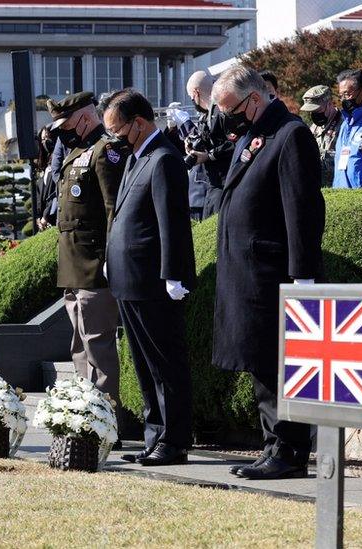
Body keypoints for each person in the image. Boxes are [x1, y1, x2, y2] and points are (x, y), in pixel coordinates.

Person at [211, 65, 324, 480]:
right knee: (261, 363)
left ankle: (290, 450)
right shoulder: (257, 132)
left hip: (274, 272)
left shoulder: (290, 134)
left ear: (253, 100)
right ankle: (271, 445)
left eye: (230, 109)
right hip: (248, 272)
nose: (227, 118)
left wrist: (304, 276)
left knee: (280, 364)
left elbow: (303, 209)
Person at [103, 89, 196, 467]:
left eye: (117, 129)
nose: (113, 138)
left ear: (139, 123)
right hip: (129, 278)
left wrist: (173, 274)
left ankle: (173, 440)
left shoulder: (163, 160)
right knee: (143, 365)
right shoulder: (135, 158)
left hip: (153, 281)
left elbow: (171, 222)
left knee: (164, 363)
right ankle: (154, 435)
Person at [47, 91, 128, 402]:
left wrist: (110, 259)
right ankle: (85, 412)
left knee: (98, 343)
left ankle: (106, 416)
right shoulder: (76, 151)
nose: (62, 133)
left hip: (95, 264)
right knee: (79, 343)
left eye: (66, 125)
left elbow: (113, 211)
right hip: (73, 264)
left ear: (83, 118)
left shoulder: (105, 150)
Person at [183, 70, 234, 218]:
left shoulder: (221, 110)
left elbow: (234, 143)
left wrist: (209, 156)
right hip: (212, 183)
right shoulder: (206, 116)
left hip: (225, 184)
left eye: (191, 97)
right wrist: (192, 144)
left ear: (196, 93)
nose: (192, 101)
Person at [300, 85, 341, 187]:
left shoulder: (344, 124)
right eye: (311, 112)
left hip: (337, 186)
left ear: (330, 104)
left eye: (317, 111)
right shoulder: (314, 128)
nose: (314, 115)